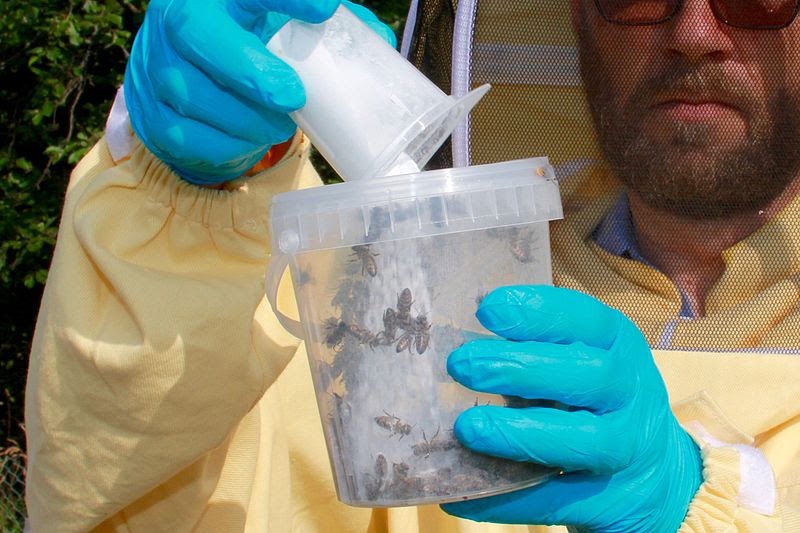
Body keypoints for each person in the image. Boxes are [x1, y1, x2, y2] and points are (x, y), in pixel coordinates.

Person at [24, 0, 799, 531]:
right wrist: (184, 209)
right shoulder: (391, 330)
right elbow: (138, 501)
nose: (696, 30)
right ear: (579, 22)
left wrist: (688, 506)